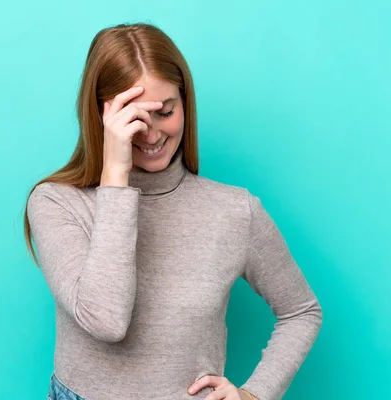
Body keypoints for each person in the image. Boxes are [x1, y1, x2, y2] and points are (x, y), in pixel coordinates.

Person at [24, 22, 322, 400]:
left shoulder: (235, 211)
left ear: (185, 103)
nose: (151, 135)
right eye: (135, 119)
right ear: (102, 117)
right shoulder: (56, 202)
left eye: (165, 112)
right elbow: (107, 320)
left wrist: (254, 395)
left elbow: (301, 311)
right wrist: (115, 176)